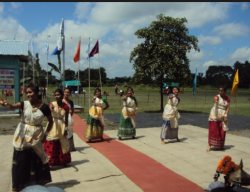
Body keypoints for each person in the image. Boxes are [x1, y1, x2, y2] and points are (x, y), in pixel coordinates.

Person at [0, 84, 53, 192]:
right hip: (22, 136)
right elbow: (12, 107)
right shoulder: (24, 104)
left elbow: (51, 122)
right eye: (27, 92)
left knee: (35, 160)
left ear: (37, 93)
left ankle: (36, 184)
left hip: (36, 137)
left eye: (30, 92)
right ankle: (20, 186)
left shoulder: (44, 107)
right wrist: (6, 104)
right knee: (21, 160)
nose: (28, 94)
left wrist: (46, 134)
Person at [44, 89, 71, 167]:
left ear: (62, 96)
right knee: (51, 142)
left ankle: (63, 161)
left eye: (58, 95)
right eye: (55, 95)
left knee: (62, 143)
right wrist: (51, 108)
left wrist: (66, 129)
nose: (57, 96)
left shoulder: (65, 106)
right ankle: (50, 162)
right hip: (52, 124)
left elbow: (66, 119)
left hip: (61, 125)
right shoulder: (52, 104)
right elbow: (50, 108)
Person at [206, 85, 230, 152]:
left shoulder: (228, 98)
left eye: (221, 91)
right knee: (213, 129)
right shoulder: (217, 96)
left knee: (222, 129)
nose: (220, 92)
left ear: (225, 91)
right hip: (215, 114)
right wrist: (215, 101)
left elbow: (227, 108)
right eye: (219, 90)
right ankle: (210, 145)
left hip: (222, 114)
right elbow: (215, 99)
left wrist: (225, 115)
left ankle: (221, 145)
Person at [63, 87, 76, 152]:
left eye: (68, 92)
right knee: (63, 132)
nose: (66, 93)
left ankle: (71, 146)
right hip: (62, 118)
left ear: (70, 93)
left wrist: (69, 117)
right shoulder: (61, 101)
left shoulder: (70, 102)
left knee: (70, 132)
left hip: (68, 118)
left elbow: (72, 110)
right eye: (65, 92)